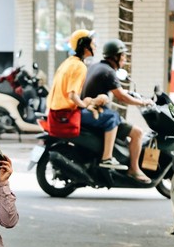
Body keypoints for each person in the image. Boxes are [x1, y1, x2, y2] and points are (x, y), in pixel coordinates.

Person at [46, 30, 126, 170]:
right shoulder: (79, 66)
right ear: (84, 45)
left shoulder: (69, 62)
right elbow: (72, 95)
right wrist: (84, 105)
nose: (95, 45)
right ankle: (107, 158)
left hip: (58, 112)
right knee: (112, 116)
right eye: (92, 42)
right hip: (67, 114)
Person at [81, 39, 154, 182]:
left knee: (115, 119)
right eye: (123, 56)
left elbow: (117, 89)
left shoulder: (97, 67)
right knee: (137, 133)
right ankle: (133, 169)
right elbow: (121, 97)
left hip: (88, 110)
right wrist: (143, 102)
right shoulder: (108, 72)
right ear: (115, 56)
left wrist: (129, 93)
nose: (125, 59)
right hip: (94, 113)